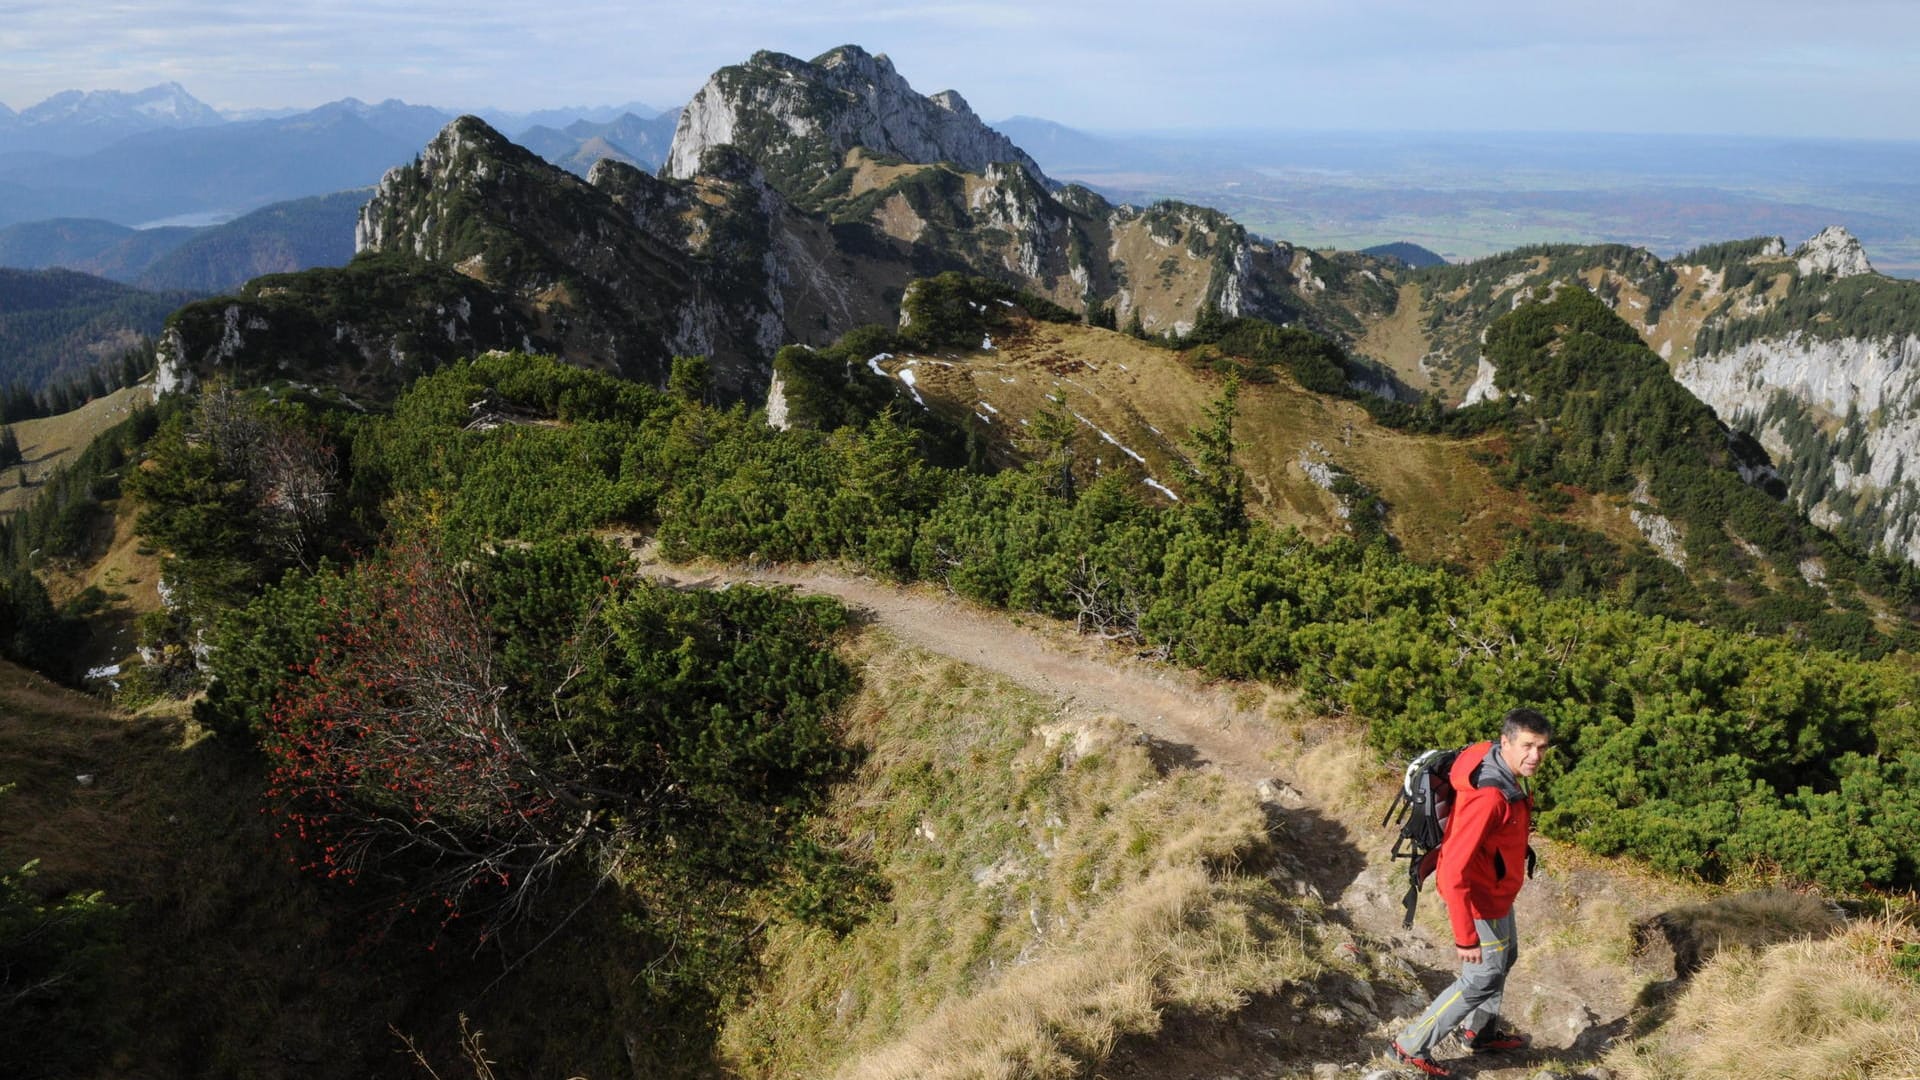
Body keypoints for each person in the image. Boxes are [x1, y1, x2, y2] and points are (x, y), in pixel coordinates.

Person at [1389, 708, 1552, 1077]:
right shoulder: (1489, 798)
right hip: (1480, 899)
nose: (1535, 757)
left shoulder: (1495, 760)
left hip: (1497, 891)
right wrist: (1466, 937)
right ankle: (1409, 1046)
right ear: (1506, 741)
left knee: (1505, 959)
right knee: (1479, 978)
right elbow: (1451, 873)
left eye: (1542, 748)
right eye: (1527, 746)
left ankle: (1479, 1033)